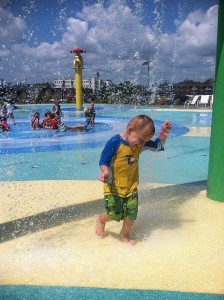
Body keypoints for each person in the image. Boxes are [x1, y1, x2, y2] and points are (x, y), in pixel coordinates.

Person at [95, 115, 172, 245]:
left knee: (131, 214)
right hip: (113, 187)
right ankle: (101, 220)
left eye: (144, 142)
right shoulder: (115, 142)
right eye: (140, 140)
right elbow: (104, 160)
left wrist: (164, 132)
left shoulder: (140, 144)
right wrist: (105, 171)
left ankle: (124, 235)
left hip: (131, 187)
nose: (141, 145)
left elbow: (158, 145)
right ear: (130, 130)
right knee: (114, 214)